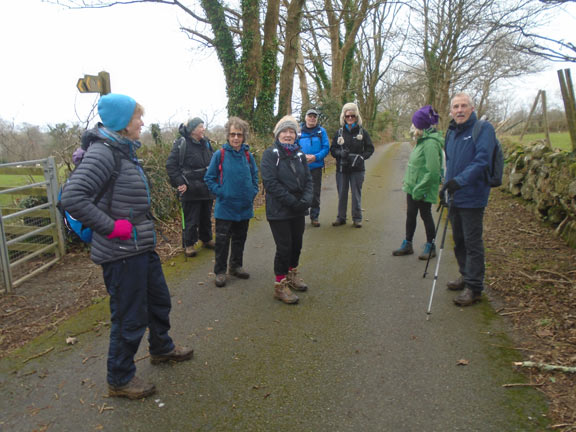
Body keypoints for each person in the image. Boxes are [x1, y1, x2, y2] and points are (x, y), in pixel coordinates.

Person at [61, 94, 193, 400]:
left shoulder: (122, 151)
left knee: (159, 301)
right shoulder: (103, 154)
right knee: (129, 316)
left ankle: (161, 347)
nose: (142, 123)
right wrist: (111, 227)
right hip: (120, 254)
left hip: (140, 248)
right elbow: (72, 198)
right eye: (137, 118)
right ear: (123, 123)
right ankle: (119, 378)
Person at [441, 92, 498, 307]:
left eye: (464, 106)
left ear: (472, 109)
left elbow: (482, 160)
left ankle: (474, 288)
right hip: (455, 196)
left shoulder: (483, 129)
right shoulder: (452, 132)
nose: (459, 110)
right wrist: (446, 187)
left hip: (473, 195)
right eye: (455, 106)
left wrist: (459, 181)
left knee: (473, 241)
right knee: (459, 240)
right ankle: (465, 275)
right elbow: (449, 163)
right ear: (451, 111)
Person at [260, 115, 313, 304]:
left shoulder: (299, 154)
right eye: (284, 131)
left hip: (297, 209)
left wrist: (307, 199)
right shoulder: (270, 154)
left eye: (291, 131)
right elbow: (271, 183)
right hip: (279, 210)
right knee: (284, 247)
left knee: (297, 244)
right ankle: (280, 285)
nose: (288, 135)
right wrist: (293, 201)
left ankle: (292, 274)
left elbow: (308, 180)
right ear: (278, 134)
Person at [204, 117, 259, 288]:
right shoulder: (219, 155)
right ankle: (220, 272)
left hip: (244, 207)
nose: (236, 138)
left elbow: (255, 176)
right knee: (221, 241)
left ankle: (235, 266)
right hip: (225, 207)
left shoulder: (248, 156)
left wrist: (252, 192)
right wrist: (222, 193)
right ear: (228, 135)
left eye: (239, 135)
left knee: (239, 239)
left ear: (244, 137)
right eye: (233, 134)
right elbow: (209, 178)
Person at [393, 105, 444, 259]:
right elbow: (416, 165)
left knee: (425, 215)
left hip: (422, 188)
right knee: (411, 214)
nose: (412, 127)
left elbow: (433, 171)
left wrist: (420, 188)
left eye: (414, 124)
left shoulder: (430, 143)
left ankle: (431, 246)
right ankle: (408, 244)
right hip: (413, 187)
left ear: (421, 126)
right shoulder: (422, 140)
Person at [166, 118, 215, 257]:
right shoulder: (181, 144)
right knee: (191, 218)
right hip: (190, 187)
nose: (203, 129)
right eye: (201, 126)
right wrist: (180, 182)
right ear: (193, 130)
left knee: (206, 215)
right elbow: (171, 166)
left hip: (206, 185)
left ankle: (206, 239)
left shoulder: (206, 143)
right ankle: (189, 244)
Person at [330, 102, 374, 228]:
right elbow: (332, 150)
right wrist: (340, 153)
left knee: (356, 194)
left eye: (352, 116)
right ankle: (341, 218)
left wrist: (362, 157)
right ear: (343, 117)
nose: (350, 118)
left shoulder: (362, 132)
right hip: (342, 168)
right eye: (347, 116)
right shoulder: (339, 132)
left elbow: (370, 149)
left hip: (358, 169)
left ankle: (357, 218)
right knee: (342, 193)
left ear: (357, 116)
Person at [298, 108, 330, 227]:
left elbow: (326, 148)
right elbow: (294, 146)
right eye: (310, 116)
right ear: (305, 117)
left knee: (315, 194)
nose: (312, 118)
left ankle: (314, 217)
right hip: (301, 167)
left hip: (316, 167)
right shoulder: (298, 131)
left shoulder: (321, 132)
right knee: (300, 192)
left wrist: (315, 157)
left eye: (314, 117)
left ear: (316, 119)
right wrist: (302, 156)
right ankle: (300, 216)